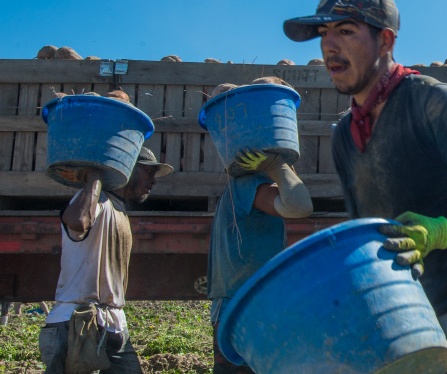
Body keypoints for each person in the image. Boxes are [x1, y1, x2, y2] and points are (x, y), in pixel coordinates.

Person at [284, 0, 447, 373]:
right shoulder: (345, 136)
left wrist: (439, 232)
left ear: (385, 41)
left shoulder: (438, 105)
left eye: (346, 31)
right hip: (404, 317)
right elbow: (364, 233)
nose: (330, 46)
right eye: (324, 34)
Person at [38, 147, 173, 374]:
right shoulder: (96, 200)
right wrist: (95, 176)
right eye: (148, 172)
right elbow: (77, 221)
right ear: (127, 169)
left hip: (113, 325)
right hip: (75, 323)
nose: (153, 181)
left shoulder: (119, 209)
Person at [206, 135, 313, 372]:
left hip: (237, 306)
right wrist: (275, 166)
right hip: (245, 310)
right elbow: (301, 206)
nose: (291, 174)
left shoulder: (238, 189)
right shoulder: (248, 185)